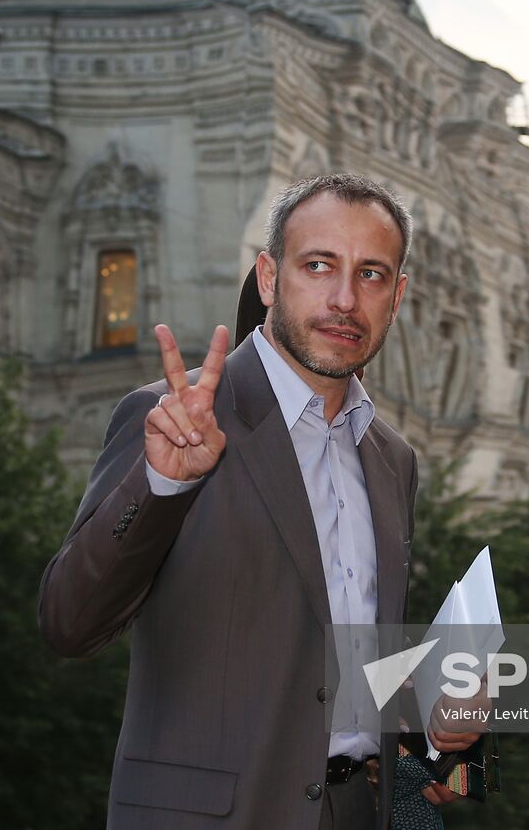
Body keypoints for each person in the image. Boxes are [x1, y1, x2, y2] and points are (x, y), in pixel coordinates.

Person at [39, 174, 480, 829]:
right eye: (318, 265)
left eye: (371, 275)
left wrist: (435, 721)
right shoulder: (173, 417)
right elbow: (67, 623)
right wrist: (163, 486)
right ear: (269, 278)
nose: (343, 299)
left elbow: (349, 678)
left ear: (397, 296)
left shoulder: (393, 461)